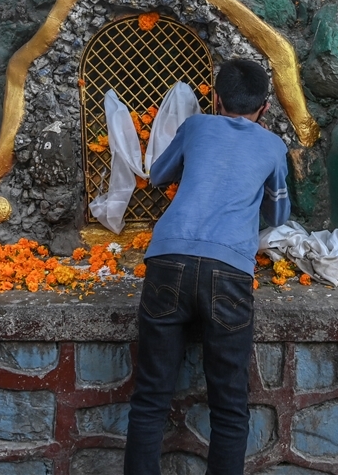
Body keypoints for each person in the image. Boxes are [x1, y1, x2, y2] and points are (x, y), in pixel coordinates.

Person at [124, 59, 290, 475]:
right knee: (230, 408)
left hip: (168, 260)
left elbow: (159, 174)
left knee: (149, 399)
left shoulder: (196, 127)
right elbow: (280, 214)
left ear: (214, 99)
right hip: (230, 271)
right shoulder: (273, 147)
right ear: (265, 108)